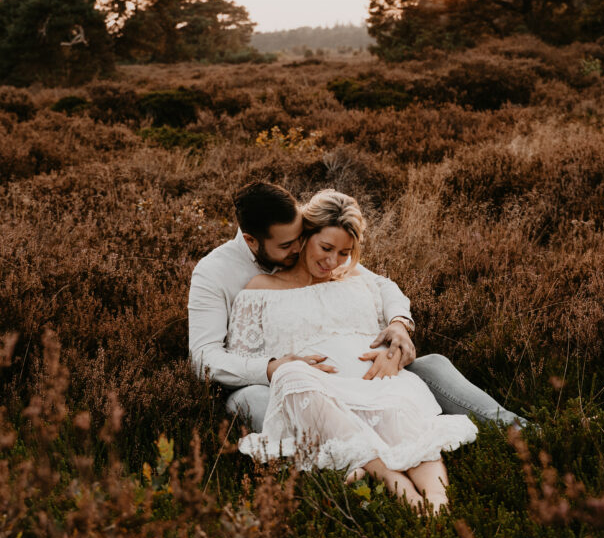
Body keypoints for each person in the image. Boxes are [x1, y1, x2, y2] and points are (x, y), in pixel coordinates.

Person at [187, 182, 524, 432]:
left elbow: (378, 284)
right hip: (278, 382)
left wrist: (397, 324)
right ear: (252, 241)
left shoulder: (315, 253)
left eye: (303, 238)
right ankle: (332, 468)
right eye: (289, 245)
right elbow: (203, 357)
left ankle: (517, 430)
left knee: (433, 364)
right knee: (250, 400)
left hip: (356, 376)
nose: (299, 250)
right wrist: (274, 368)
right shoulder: (215, 274)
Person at [228, 189, 477, 512]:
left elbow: (388, 298)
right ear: (305, 236)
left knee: (399, 414)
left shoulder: (356, 278)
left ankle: (437, 503)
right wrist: (285, 365)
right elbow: (242, 358)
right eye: (326, 248)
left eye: (344, 252)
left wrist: (394, 342)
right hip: (315, 390)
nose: (332, 261)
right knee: (291, 375)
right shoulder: (260, 289)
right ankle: (393, 480)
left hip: (372, 378)